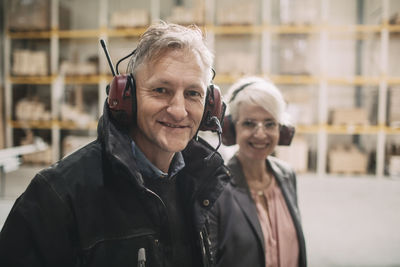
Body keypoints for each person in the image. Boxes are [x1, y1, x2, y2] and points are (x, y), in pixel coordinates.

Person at [0, 22, 230, 267]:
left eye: (193, 93)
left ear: (210, 106)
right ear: (125, 97)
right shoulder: (56, 195)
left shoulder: (200, 185)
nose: (178, 110)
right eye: (161, 90)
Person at [209, 76, 307, 267]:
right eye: (249, 123)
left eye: (270, 123)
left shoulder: (287, 175)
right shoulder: (216, 186)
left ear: (282, 130)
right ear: (231, 129)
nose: (260, 134)